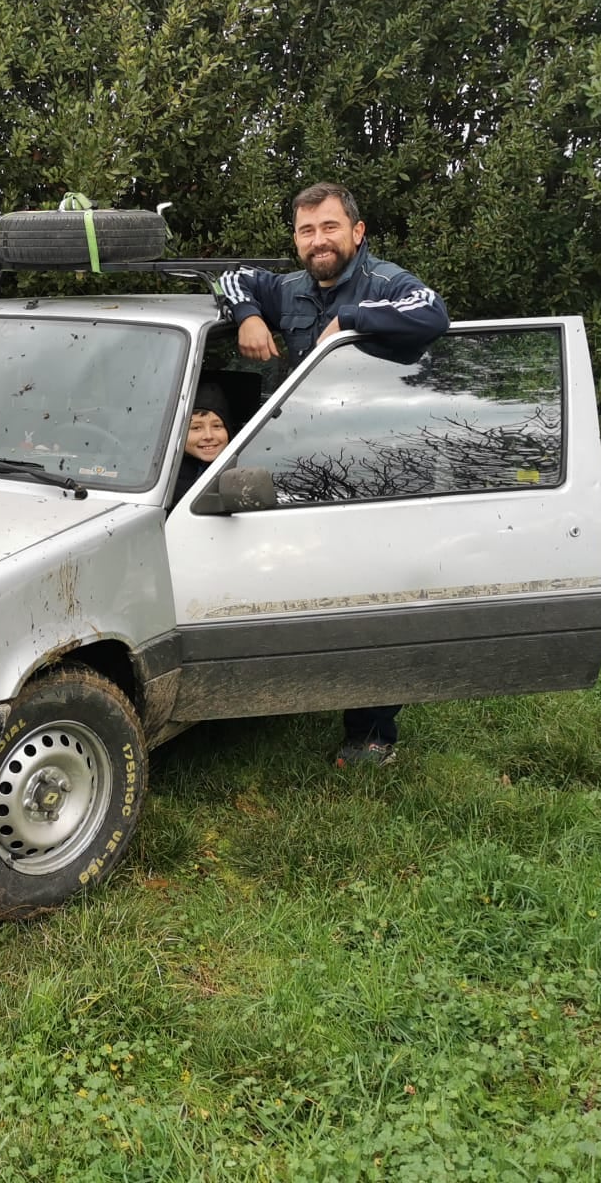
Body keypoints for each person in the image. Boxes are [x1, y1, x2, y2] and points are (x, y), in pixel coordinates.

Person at [219, 182, 451, 769]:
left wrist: (349, 318)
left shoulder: (387, 284)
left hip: (376, 469)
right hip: (301, 459)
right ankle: (284, 688)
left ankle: (372, 730)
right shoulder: (287, 289)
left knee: (373, 594)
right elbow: (233, 277)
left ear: (357, 231)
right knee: (287, 574)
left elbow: (433, 313)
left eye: (329, 227)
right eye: (306, 230)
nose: (317, 240)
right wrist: (248, 315)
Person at [170, 380, 234, 508]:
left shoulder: (240, 465)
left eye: (217, 426)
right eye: (196, 428)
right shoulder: (165, 477)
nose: (208, 436)